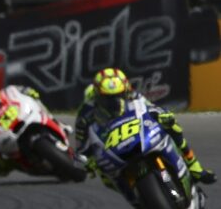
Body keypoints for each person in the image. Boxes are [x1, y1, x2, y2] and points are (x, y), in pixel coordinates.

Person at [76, 67, 215, 185]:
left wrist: (163, 116)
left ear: (125, 89)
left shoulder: (133, 94)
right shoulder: (87, 109)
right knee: (104, 175)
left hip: (134, 128)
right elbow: (80, 143)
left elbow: (151, 108)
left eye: (119, 96)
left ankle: (195, 167)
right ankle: (133, 196)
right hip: (109, 140)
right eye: (107, 98)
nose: (114, 102)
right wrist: (88, 160)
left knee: (172, 124)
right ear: (97, 95)